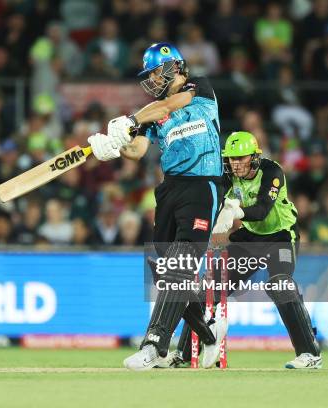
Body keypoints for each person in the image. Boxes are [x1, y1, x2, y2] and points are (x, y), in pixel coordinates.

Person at [87, 42, 226, 370]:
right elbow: (137, 149)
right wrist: (112, 145)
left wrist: (131, 119)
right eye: (149, 75)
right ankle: (209, 334)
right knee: (168, 273)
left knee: (179, 268)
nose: (152, 79)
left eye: (157, 72)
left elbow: (171, 105)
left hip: (202, 185)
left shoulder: (199, 87)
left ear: (176, 68)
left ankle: (155, 345)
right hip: (170, 190)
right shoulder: (153, 111)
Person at [168, 132, 322, 369]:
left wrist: (235, 211)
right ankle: (185, 354)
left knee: (280, 284)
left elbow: (261, 211)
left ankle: (310, 354)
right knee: (208, 288)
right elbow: (211, 202)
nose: (235, 163)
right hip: (251, 239)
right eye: (231, 158)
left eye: (241, 158)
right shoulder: (228, 176)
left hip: (280, 236)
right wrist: (211, 218)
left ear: (254, 157)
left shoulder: (272, 172)